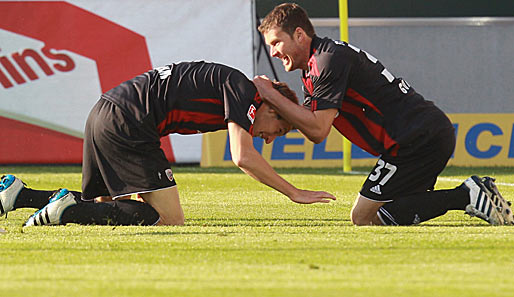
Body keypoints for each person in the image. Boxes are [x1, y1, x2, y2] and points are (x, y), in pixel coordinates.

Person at [252, 3, 513, 226]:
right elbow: (312, 128)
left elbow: (318, 129)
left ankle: (467, 195)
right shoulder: (315, 67)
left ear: (299, 35)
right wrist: (272, 114)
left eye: (276, 42)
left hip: (415, 138)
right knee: (393, 211)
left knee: (363, 217)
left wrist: (268, 92)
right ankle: (473, 195)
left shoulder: (326, 60)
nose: (273, 52)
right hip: (419, 134)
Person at [0, 61, 336, 227]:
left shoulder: (236, 88)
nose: (271, 138)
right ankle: (66, 211)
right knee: (168, 218)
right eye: (281, 127)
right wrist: (295, 192)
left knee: (100, 207)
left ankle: (21, 195)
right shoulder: (243, 89)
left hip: (104, 111)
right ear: (269, 105)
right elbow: (242, 156)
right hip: (129, 121)